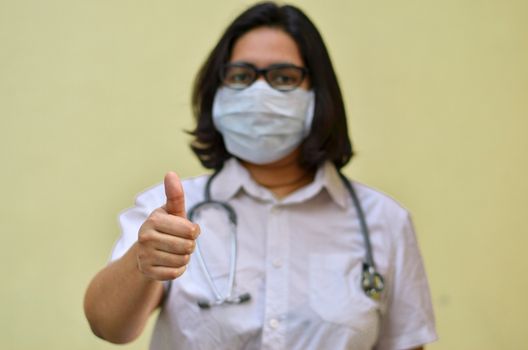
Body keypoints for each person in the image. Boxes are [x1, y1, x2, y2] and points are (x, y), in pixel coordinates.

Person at [84, 2, 438, 349]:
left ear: (318, 95)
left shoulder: (385, 222)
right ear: (217, 93)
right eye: (241, 76)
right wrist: (142, 261)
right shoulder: (170, 213)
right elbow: (108, 327)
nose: (259, 92)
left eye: (283, 78)